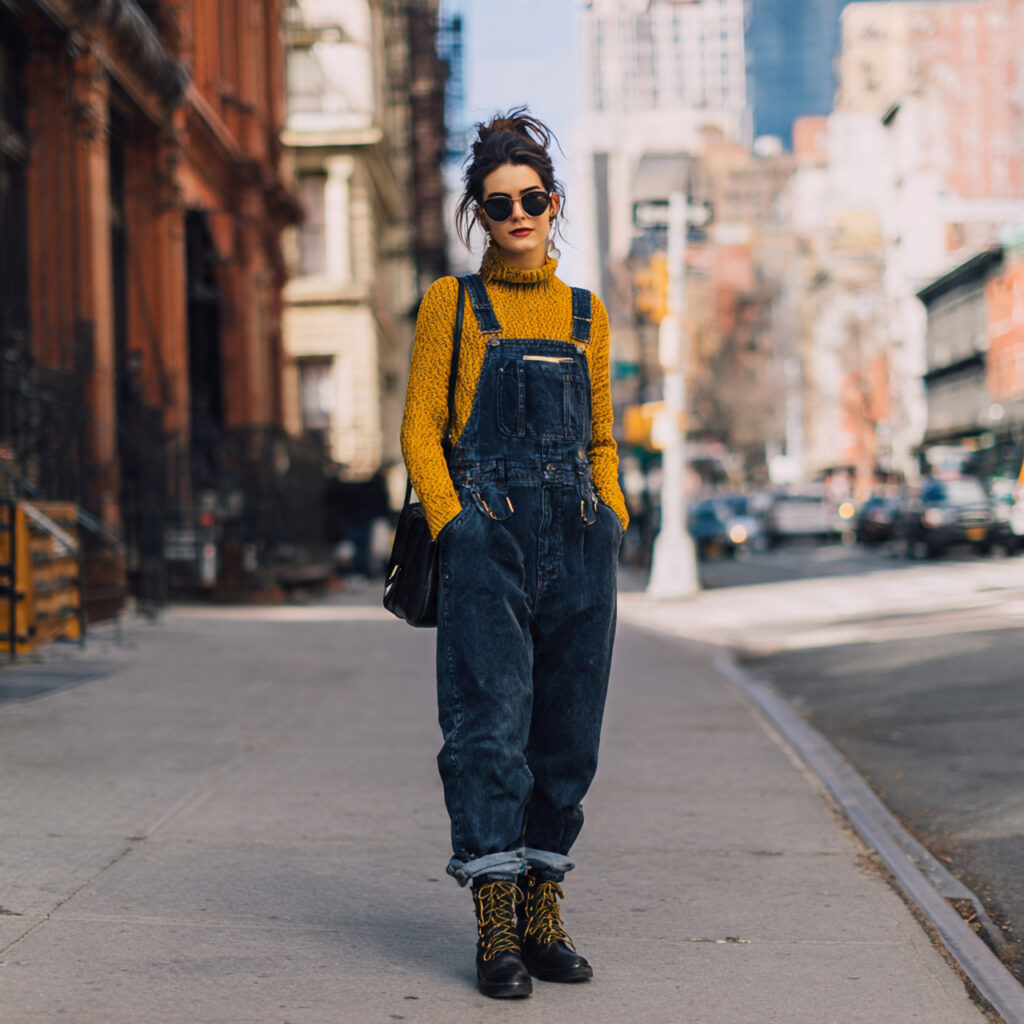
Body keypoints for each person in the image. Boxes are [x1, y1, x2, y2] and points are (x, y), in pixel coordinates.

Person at [400, 107, 628, 1000]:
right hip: (485, 539)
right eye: (500, 205)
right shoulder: (451, 305)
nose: (519, 214)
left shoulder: (586, 312)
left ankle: (544, 906)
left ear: (555, 201)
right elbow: (422, 429)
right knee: (488, 730)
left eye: (533, 198)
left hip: (579, 536)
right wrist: (458, 524)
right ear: (480, 215)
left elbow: (602, 437)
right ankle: (495, 918)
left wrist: (609, 515)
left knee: (568, 734)